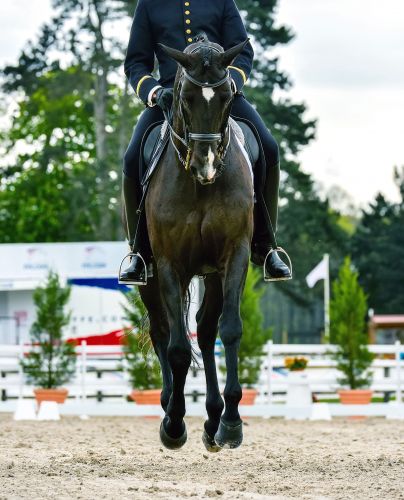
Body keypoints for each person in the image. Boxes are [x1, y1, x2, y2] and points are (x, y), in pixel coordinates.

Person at [120, 0, 291, 284]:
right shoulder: (149, 4)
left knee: (269, 148)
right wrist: (152, 92)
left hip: (219, 94)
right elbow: (135, 62)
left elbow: (243, 50)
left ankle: (266, 245)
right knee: (131, 157)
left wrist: (231, 82)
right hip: (172, 98)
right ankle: (139, 253)